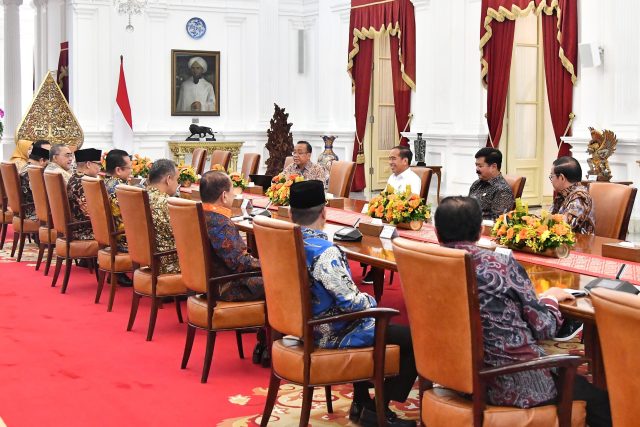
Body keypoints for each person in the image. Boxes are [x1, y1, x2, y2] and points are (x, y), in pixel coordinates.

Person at [434, 196, 611, 427]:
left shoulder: (426, 261)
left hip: (453, 375)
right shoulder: (500, 264)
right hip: (512, 380)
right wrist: (549, 300)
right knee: (604, 402)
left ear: (437, 233)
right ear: (480, 231)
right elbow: (544, 328)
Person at [289, 179, 417, 427]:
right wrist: (372, 300)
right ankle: (378, 407)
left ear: (292, 213)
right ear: (324, 212)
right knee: (414, 339)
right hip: (331, 332)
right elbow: (352, 303)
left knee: (365, 322)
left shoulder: (286, 242)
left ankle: (360, 401)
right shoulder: (325, 251)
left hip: (304, 329)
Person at [199, 170, 267, 364]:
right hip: (225, 285)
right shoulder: (220, 223)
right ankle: (268, 345)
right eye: (232, 191)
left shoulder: (201, 214)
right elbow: (239, 263)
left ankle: (265, 343)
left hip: (209, 282)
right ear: (224, 195)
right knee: (279, 283)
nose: (234, 195)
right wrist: (272, 265)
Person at [146, 159, 181, 275]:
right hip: (169, 263)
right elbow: (183, 237)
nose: (177, 184)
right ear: (168, 179)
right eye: (177, 180)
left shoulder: (140, 195)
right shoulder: (167, 203)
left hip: (149, 259)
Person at [550, 156, 595, 235]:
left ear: (562, 177)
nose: (551, 180)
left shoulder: (580, 197)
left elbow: (565, 228)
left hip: (580, 245)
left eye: (552, 176)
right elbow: (549, 218)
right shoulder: (563, 194)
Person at [468, 147, 514, 220]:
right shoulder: (476, 184)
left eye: (480, 166)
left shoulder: (502, 190)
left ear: (493, 167)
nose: (477, 169)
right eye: (476, 165)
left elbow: (497, 220)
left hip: (480, 228)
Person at [67, 148, 102, 240]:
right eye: (99, 164)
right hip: (85, 231)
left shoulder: (74, 178)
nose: (100, 168)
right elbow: (90, 213)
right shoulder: (86, 183)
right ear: (88, 164)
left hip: (76, 227)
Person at [104, 149, 133, 253]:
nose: (131, 171)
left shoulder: (104, 182)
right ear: (118, 170)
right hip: (125, 241)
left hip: (111, 237)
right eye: (129, 168)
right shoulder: (121, 189)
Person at [18, 145, 50, 221]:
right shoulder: (35, 174)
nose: (47, 166)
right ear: (42, 161)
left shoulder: (24, 168)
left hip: (23, 211)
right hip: (34, 214)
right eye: (47, 163)